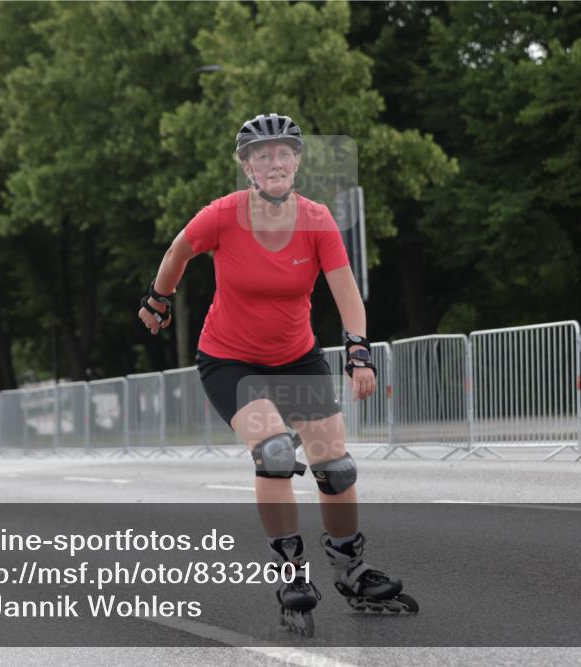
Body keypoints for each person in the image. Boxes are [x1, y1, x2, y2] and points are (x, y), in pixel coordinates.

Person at [138, 113, 416, 636]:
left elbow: (346, 290)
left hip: (297, 356)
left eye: (283, 152)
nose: (274, 162)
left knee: (336, 468)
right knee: (275, 453)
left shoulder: (316, 220)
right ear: (246, 166)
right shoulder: (221, 215)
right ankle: (291, 573)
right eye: (262, 155)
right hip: (229, 359)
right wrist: (160, 297)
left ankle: (350, 568)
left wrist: (358, 350)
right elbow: (178, 250)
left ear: (297, 162)